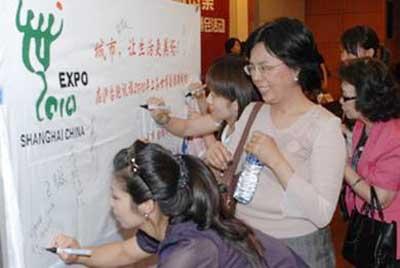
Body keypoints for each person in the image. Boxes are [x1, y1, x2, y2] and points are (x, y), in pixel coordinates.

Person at [205, 17, 346, 267]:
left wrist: (276, 161)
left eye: (265, 67)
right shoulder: (252, 112)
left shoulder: (324, 126)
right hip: (246, 239)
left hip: (297, 247)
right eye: (252, 68)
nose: (257, 77)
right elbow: (228, 171)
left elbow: (322, 213)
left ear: (296, 69)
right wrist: (215, 160)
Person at [51, 140, 308, 267]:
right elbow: (123, 252)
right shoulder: (170, 216)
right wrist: (77, 253)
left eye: (116, 197)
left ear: (146, 205)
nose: (111, 205)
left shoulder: (190, 250)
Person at [339, 58, 400, 261]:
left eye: (346, 97)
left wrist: (344, 168)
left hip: (389, 234)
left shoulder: (394, 136)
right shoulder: (361, 125)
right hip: (366, 220)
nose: (340, 101)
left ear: (367, 99)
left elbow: (380, 198)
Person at [147, 55, 260, 150]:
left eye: (215, 96)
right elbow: (187, 128)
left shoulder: (248, 136)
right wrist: (164, 120)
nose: (210, 101)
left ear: (235, 105)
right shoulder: (222, 119)